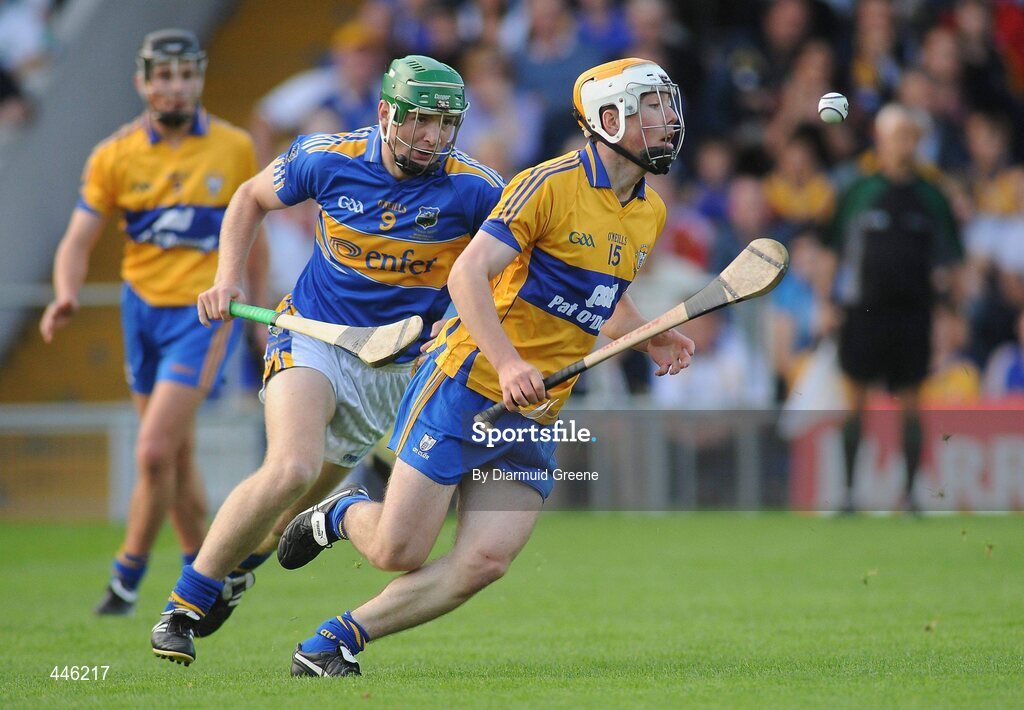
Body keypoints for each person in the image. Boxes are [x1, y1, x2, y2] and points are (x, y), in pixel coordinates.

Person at [275, 57, 695, 677]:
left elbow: (603, 301)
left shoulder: (648, 212)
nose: (667, 121)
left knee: (484, 562)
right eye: (650, 108)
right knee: (398, 549)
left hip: (538, 408)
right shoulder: (547, 186)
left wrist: (650, 337)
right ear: (608, 120)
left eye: (667, 106)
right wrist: (507, 360)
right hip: (467, 384)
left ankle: (335, 641)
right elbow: (466, 274)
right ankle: (341, 512)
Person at [149, 55, 505, 665]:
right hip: (313, 335)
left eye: (447, 124)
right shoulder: (327, 157)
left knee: (291, 507)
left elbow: (512, 266)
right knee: (290, 466)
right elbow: (248, 198)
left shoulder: (475, 188)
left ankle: (239, 571)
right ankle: (183, 604)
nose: (434, 138)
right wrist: (229, 276)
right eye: (421, 121)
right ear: (386, 114)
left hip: (395, 371)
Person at [38, 29, 266, 615]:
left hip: (204, 314)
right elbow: (77, 240)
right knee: (174, 455)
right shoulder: (113, 155)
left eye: (186, 75)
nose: (175, 87)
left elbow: (253, 237)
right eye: (163, 77)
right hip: (140, 312)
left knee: (153, 451)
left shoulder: (233, 146)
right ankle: (207, 576)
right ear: (143, 83)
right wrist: (65, 293)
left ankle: (126, 577)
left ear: (200, 79)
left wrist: (254, 309)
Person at [827, 103, 963, 513]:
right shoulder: (859, 192)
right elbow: (834, 253)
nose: (902, 144)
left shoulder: (932, 197)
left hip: (913, 314)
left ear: (917, 142)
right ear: (880, 141)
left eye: (909, 136)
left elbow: (953, 261)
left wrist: (951, 313)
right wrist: (826, 303)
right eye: (894, 136)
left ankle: (910, 495)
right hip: (863, 312)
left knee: (911, 403)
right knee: (856, 401)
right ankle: (849, 495)